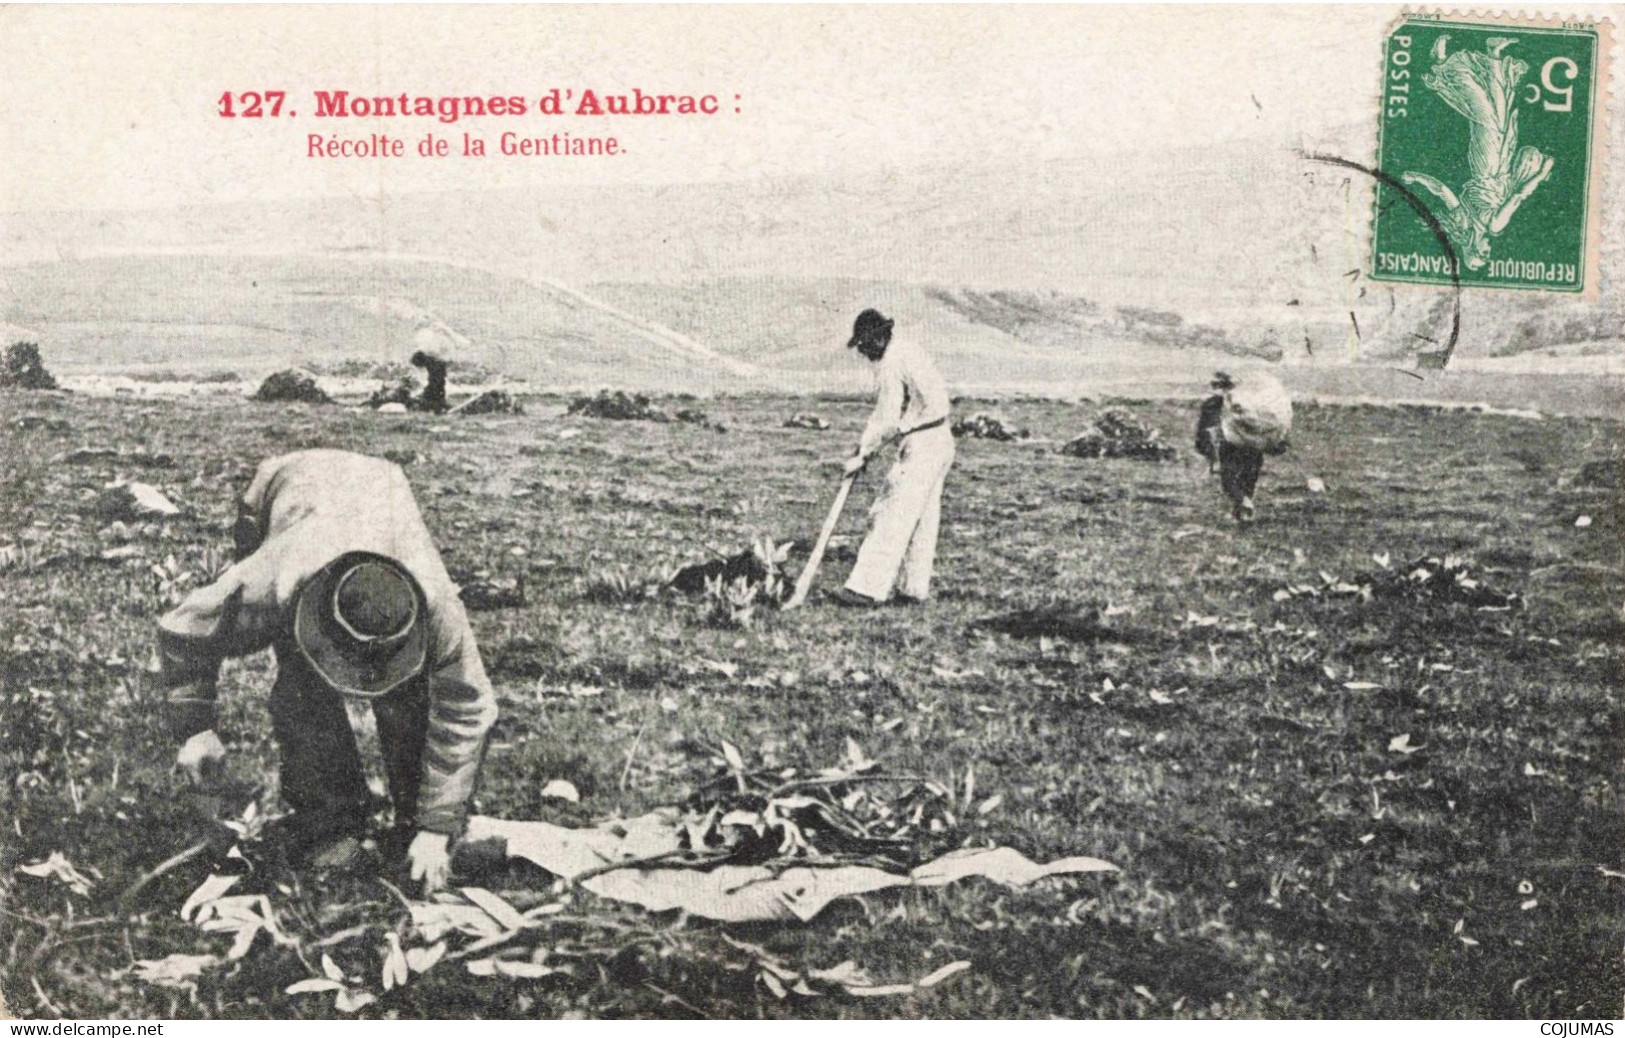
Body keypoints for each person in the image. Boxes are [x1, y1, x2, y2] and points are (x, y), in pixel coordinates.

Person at [157, 449, 497, 892]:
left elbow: (467, 707)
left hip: (381, 490)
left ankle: (414, 824)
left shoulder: (435, 610)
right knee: (303, 688)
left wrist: (437, 826)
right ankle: (330, 819)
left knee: (412, 698)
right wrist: (195, 728)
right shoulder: (275, 582)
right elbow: (186, 630)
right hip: (290, 486)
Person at [831, 309, 955, 606]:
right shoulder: (907, 350)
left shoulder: (891, 361)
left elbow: (886, 416)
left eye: (864, 344)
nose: (862, 351)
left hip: (925, 442)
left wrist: (864, 453)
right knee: (923, 517)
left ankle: (866, 589)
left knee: (890, 512)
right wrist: (866, 448)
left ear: (878, 338)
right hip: (941, 439)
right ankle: (913, 588)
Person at [1195, 370, 1292, 523]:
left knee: (1230, 481)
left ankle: (1243, 508)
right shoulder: (1250, 404)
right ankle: (1242, 513)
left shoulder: (1213, 404)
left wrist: (1209, 453)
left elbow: (1206, 430)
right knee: (1248, 481)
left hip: (1230, 447)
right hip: (1254, 448)